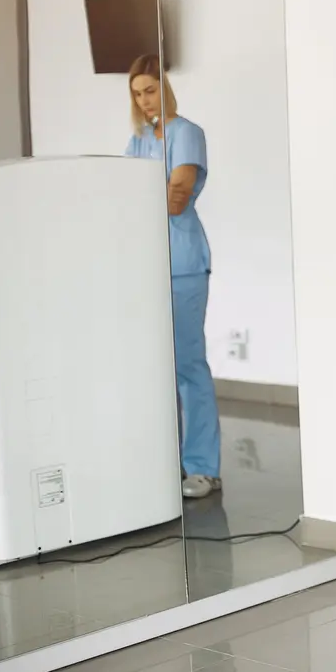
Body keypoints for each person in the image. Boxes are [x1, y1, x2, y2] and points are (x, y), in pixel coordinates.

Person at [124, 54, 222, 499]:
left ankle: (203, 467)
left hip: (182, 264)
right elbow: (118, 195)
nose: (145, 100)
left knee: (187, 366)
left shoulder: (188, 134)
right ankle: (166, 463)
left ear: (165, 86)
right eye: (137, 92)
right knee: (151, 368)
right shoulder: (140, 140)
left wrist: (147, 196)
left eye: (150, 89)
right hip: (144, 264)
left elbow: (175, 199)